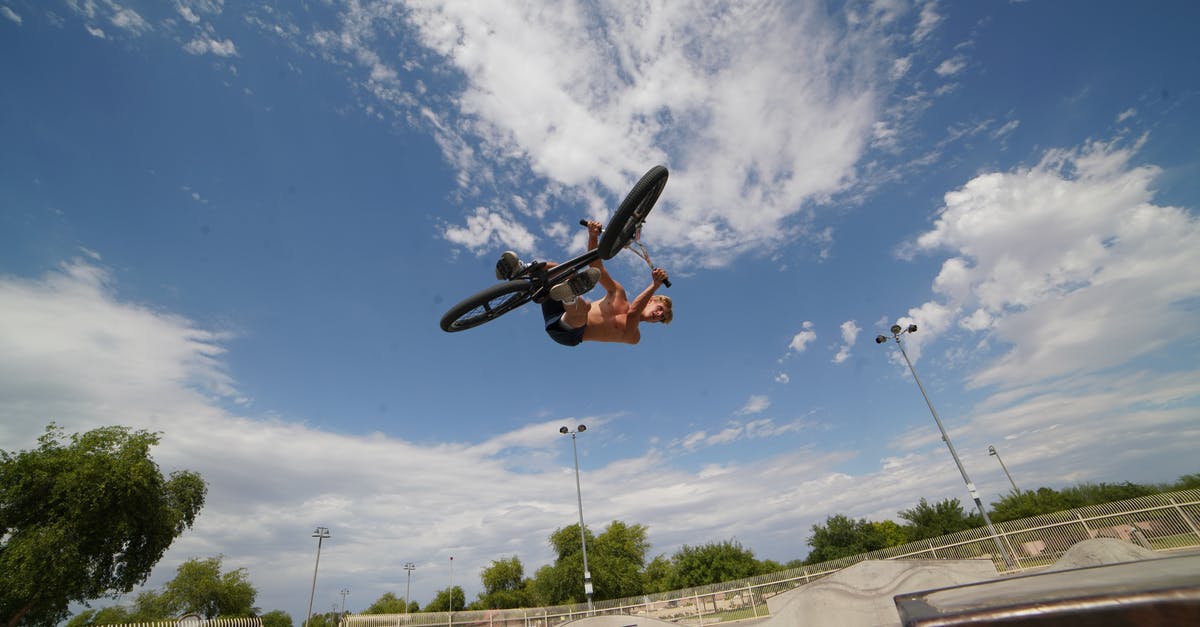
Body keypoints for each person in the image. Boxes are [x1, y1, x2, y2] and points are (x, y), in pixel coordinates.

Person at [495, 220, 672, 346]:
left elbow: (633, 314)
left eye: (661, 318)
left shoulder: (634, 336)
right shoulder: (618, 293)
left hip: (570, 332)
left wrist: (654, 285)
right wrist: (593, 236)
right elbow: (596, 266)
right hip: (558, 310)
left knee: (584, 307)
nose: (659, 315)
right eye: (660, 309)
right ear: (652, 300)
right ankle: (521, 270)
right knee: (563, 270)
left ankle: (571, 296)